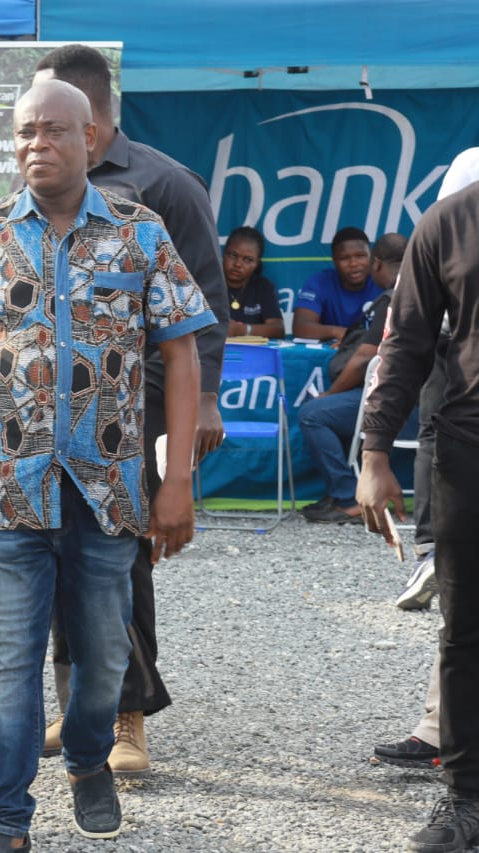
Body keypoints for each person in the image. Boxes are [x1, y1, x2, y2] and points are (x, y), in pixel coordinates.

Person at [0, 81, 214, 851]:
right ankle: (6, 820)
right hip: (5, 489)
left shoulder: (139, 232)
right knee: (8, 660)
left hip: (109, 488)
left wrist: (177, 479)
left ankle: (89, 755)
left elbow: (180, 352)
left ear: (92, 138)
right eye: (24, 133)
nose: (36, 145)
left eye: (54, 131)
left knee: (106, 654)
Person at [32, 43, 228, 775]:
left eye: (51, 122)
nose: (36, 136)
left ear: (89, 119)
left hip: (137, 386)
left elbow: (206, 296)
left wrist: (203, 397)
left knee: (118, 545)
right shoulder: (42, 180)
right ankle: (78, 699)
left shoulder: (165, 183)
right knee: (49, 536)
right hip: (46, 393)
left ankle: (127, 713)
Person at [357, 181, 479, 853]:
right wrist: (375, 452)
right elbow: (402, 342)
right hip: (469, 452)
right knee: (466, 636)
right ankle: (466, 801)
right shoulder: (450, 221)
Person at [299, 233, 407, 524]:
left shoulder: (392, 300)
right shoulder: (425, 294)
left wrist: (330, 393)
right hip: (428, 405)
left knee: (313, 414)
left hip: (397, 405)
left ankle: (348, 499)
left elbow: (363, 360)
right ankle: (340, 494)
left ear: (377, 264)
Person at [292, 227, 382, 341]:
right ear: (334, 261)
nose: (353, 263)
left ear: (371, 257)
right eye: (344, 258)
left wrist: (354, 337)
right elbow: (300, 328)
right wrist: (339, 332)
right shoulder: (319, 281)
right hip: (331, 355)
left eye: (360, 256)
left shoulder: (381, 280)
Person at [222, 226, 283, 339]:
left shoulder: (263, 286)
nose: (238, 264)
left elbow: (278, 329)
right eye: (232, 255)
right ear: (223, 254)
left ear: (257, 264)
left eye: (247, 260)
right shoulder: (209, 282)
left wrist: (242, 330)